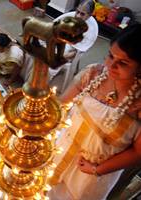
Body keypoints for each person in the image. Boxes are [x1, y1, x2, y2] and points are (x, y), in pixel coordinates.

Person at [48, 24, 141, 200]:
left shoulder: (138, 103)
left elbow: (138, 153)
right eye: (111, 56)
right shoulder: (93, 74)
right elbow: (61, 105)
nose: (111, 65)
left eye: (123, 63)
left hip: (92, 173)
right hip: (61, 150)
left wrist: (96, 170)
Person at [48, 0, 98, 91]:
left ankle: (43, 82)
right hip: (58, 41)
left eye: (82, 14)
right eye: (77, 11)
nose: (78, 15)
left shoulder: (92, 28)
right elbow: (53, 26)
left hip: (71, 49)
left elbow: (78, 51)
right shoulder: (70, 16)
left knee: (53, 62)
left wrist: (59, 57)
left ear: (90, 15)